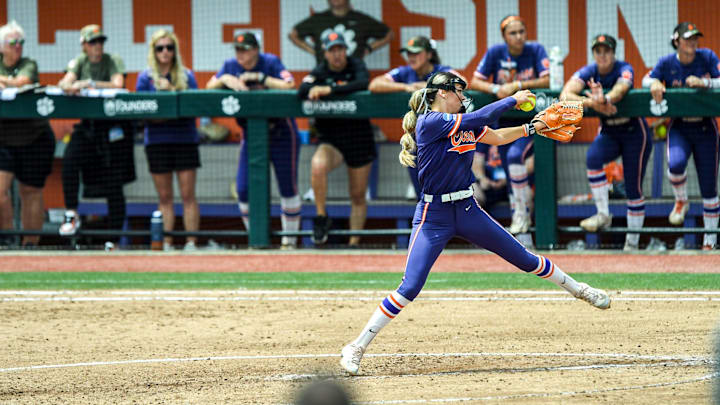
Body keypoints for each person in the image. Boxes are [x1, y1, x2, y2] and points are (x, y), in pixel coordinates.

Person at [338, 72, 610, 375]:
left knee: (525, 259)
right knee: (410, 285)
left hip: (467, 209)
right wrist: (512, 99)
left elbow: (497, 136)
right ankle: (356, 347)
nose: (462, 96)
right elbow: (482, 116)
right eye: (457, 91)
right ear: (441, 93)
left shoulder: (463, 120)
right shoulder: (430, 122)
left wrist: (532, 127)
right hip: (433, 216)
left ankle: (581, 290)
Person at [206, 32, 301, 249]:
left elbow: (290, 85)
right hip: (251, 134)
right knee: (243, 189)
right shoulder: (230, 65)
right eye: (238, 49)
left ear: (256, 50)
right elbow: (208, 87)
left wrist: (261, 79)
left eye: (245, 49)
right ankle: (255, 238)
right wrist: (224, 79)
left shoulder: (270, 62)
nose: (241, 54)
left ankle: (289, 243)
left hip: (281, 132)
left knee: (288, 187)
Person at [560, 34, 651, 251]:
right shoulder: (589, 71)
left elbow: (621, 89)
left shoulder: (623, 67)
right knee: (593, 158)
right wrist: (593, 102)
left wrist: (606, 99)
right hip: (610, 131)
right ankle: (603, 214)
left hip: (634, 132)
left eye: (607, 51)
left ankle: (632, 243)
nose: (602, 55)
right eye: (598, 51)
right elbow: (565, 94)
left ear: (613, 52)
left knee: (633, 187)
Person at [469, 15, 550, 235]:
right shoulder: (496, 52)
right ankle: (522, 230)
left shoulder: (535, 50)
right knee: (510, 168)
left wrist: (518, 84)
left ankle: (522, 216)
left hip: (534, 122)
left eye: (521, 31)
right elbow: (474, 81)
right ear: (504, 36)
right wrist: (497, 90)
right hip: (504, 120)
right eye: (513, 33)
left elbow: (548, 80)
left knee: (516, 158)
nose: (519, 37)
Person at [643, 22, 720, 250]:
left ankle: (709, 242)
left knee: (709, 187)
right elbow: (645, 80)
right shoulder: (667, 62)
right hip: (679, 125)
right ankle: (681, 200)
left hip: (706, 127)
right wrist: (655, 82)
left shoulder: (706, 57)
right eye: (687, 38)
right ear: (676, 41)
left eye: (695, 38)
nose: (693, 42)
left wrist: (704, 82)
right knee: (675, 164)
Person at [58, 24, 135, 250]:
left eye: (100, 42)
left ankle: (114, 238)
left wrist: (90, 84)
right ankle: (71, 214)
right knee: (70, 161)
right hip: (87, 127)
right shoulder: (79, 62)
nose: (97, 47)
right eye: (92, 43)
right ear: (84, 45)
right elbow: (65, 82)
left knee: (114, 183)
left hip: (111, 128)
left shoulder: (112, 60)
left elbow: (118, 83)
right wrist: (70, 86)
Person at [298, 31, 375, 246]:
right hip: (332, 139)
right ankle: (322, 218)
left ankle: (354, 243)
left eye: (340, 49)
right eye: (332, 50)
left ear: (345, 50)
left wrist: (329, 90)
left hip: (359, 138)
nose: (337, 55)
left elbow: (363, 83)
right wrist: (315, 89)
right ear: (325, 52)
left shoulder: (356, 65)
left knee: (358, 194)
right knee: (317, 165)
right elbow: (302, 90)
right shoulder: (320, 70)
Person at [369, 36, 463, 199]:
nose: (411, 57)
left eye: (417, 53)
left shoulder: (441, 70)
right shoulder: (405, 73)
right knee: (412, 149)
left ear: (428, 54)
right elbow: (375, 84)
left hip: (447, 139)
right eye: (408, 53)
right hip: (420, 141)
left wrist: (427, 86)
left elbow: (462, 82)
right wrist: (406, 86)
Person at [135, 29, 200, 251]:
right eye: (160, 48)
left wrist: (171, 92)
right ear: (153, 51)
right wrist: (168, 113)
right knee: (165, 197)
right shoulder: (145, 78)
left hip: (185, 140)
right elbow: (143, 115)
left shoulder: (186, 76)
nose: (165, 52)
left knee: (188, 195)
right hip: (157, 142)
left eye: (169, 47)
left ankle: (191, 242)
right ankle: (167, 243)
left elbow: (193, 109)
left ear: (175, 51)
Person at [0, 21, 55, 247]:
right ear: (2, 46)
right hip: (3, 138)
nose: (18, 46)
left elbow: (23, 81)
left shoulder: (28, 64)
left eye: (21, 42)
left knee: (30, 191)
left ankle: (30, 245)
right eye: (13, 42)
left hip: (34, 137)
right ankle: (8, 240)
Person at [289, 0, 392, 65]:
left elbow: (389, 34)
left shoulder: (361, 19)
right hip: (324, 74)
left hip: (353, 74)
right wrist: (313, 51)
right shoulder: (318, 19)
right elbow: (293, 34)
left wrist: (368, 48)